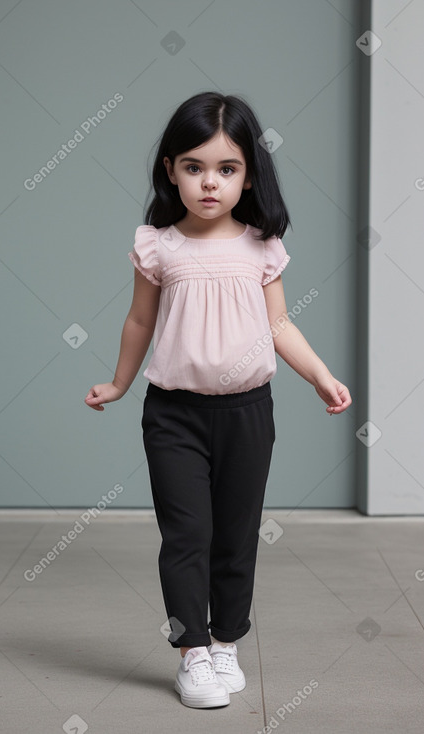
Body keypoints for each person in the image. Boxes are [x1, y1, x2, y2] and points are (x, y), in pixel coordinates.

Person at [84, 91, 352, 709]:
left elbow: (280, 324)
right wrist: (120, 383)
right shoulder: (158, 245)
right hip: (173, 415)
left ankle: (227, 641)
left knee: (236, 533)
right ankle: (191, 650)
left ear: (249, 174)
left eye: (226, 169)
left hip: (247, 413)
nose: (210, 183)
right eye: (193, 167)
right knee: (186, 535)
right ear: (170, 170)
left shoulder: (261, 245)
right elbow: (138, 321)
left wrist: (319, 375)